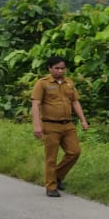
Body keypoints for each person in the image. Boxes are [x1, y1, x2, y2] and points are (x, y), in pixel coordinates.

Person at [31, 56, 88, 197]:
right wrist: (37, 126)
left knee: (74, 152)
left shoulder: (69, 83)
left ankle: (56, 176)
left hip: (67, 124)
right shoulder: (42, 83)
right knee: (51, 157)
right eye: (57, 68)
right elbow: (35, 104)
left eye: (62, 68)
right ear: (49, 68)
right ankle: (51, 187)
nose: (60, 71)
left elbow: (75, 102)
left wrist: (83, 120)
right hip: (50, 125)